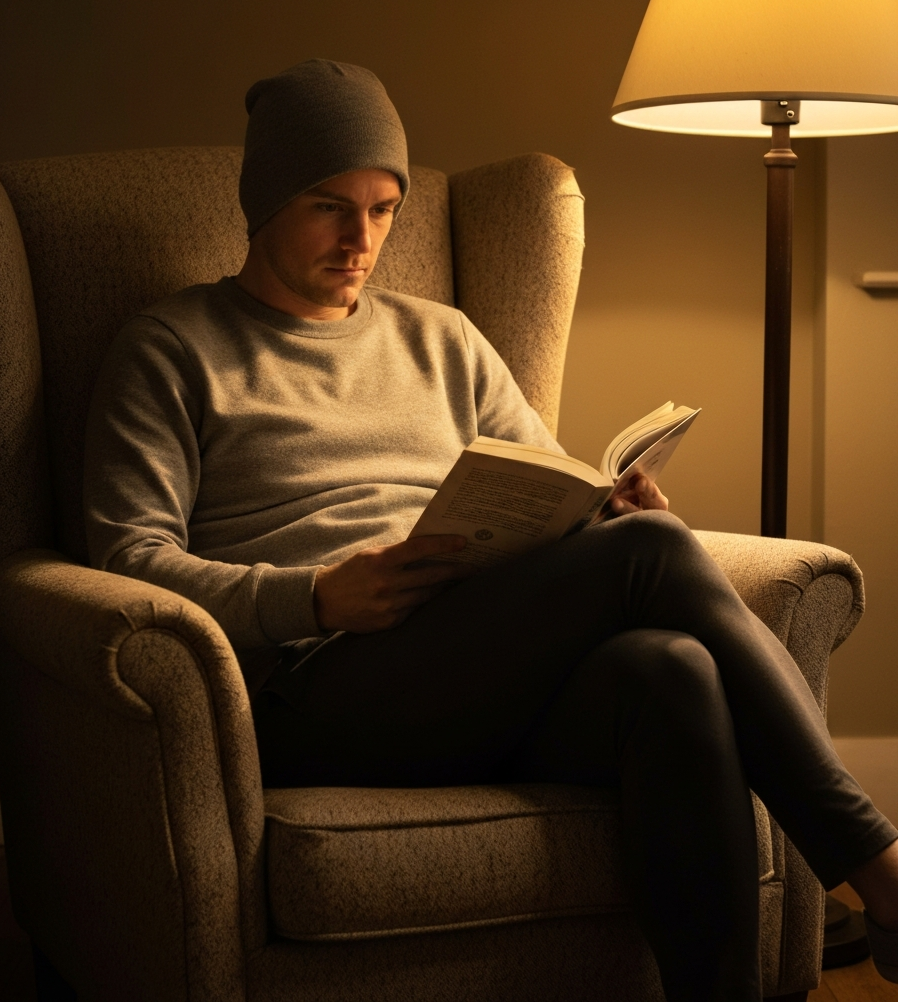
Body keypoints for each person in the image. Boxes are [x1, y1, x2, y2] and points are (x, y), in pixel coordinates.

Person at [83, 59, 898, 1000]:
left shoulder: (445, 338)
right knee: (653, 559)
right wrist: (311, 594)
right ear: (263, 202)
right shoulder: (169, 349)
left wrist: (603, 506)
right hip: (319, 685)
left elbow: (544, 484)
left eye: (384, 208)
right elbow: (130, 561)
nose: (362, 238)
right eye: (327, 206)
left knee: (673, 666)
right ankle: (878, 868)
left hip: (479, 669)